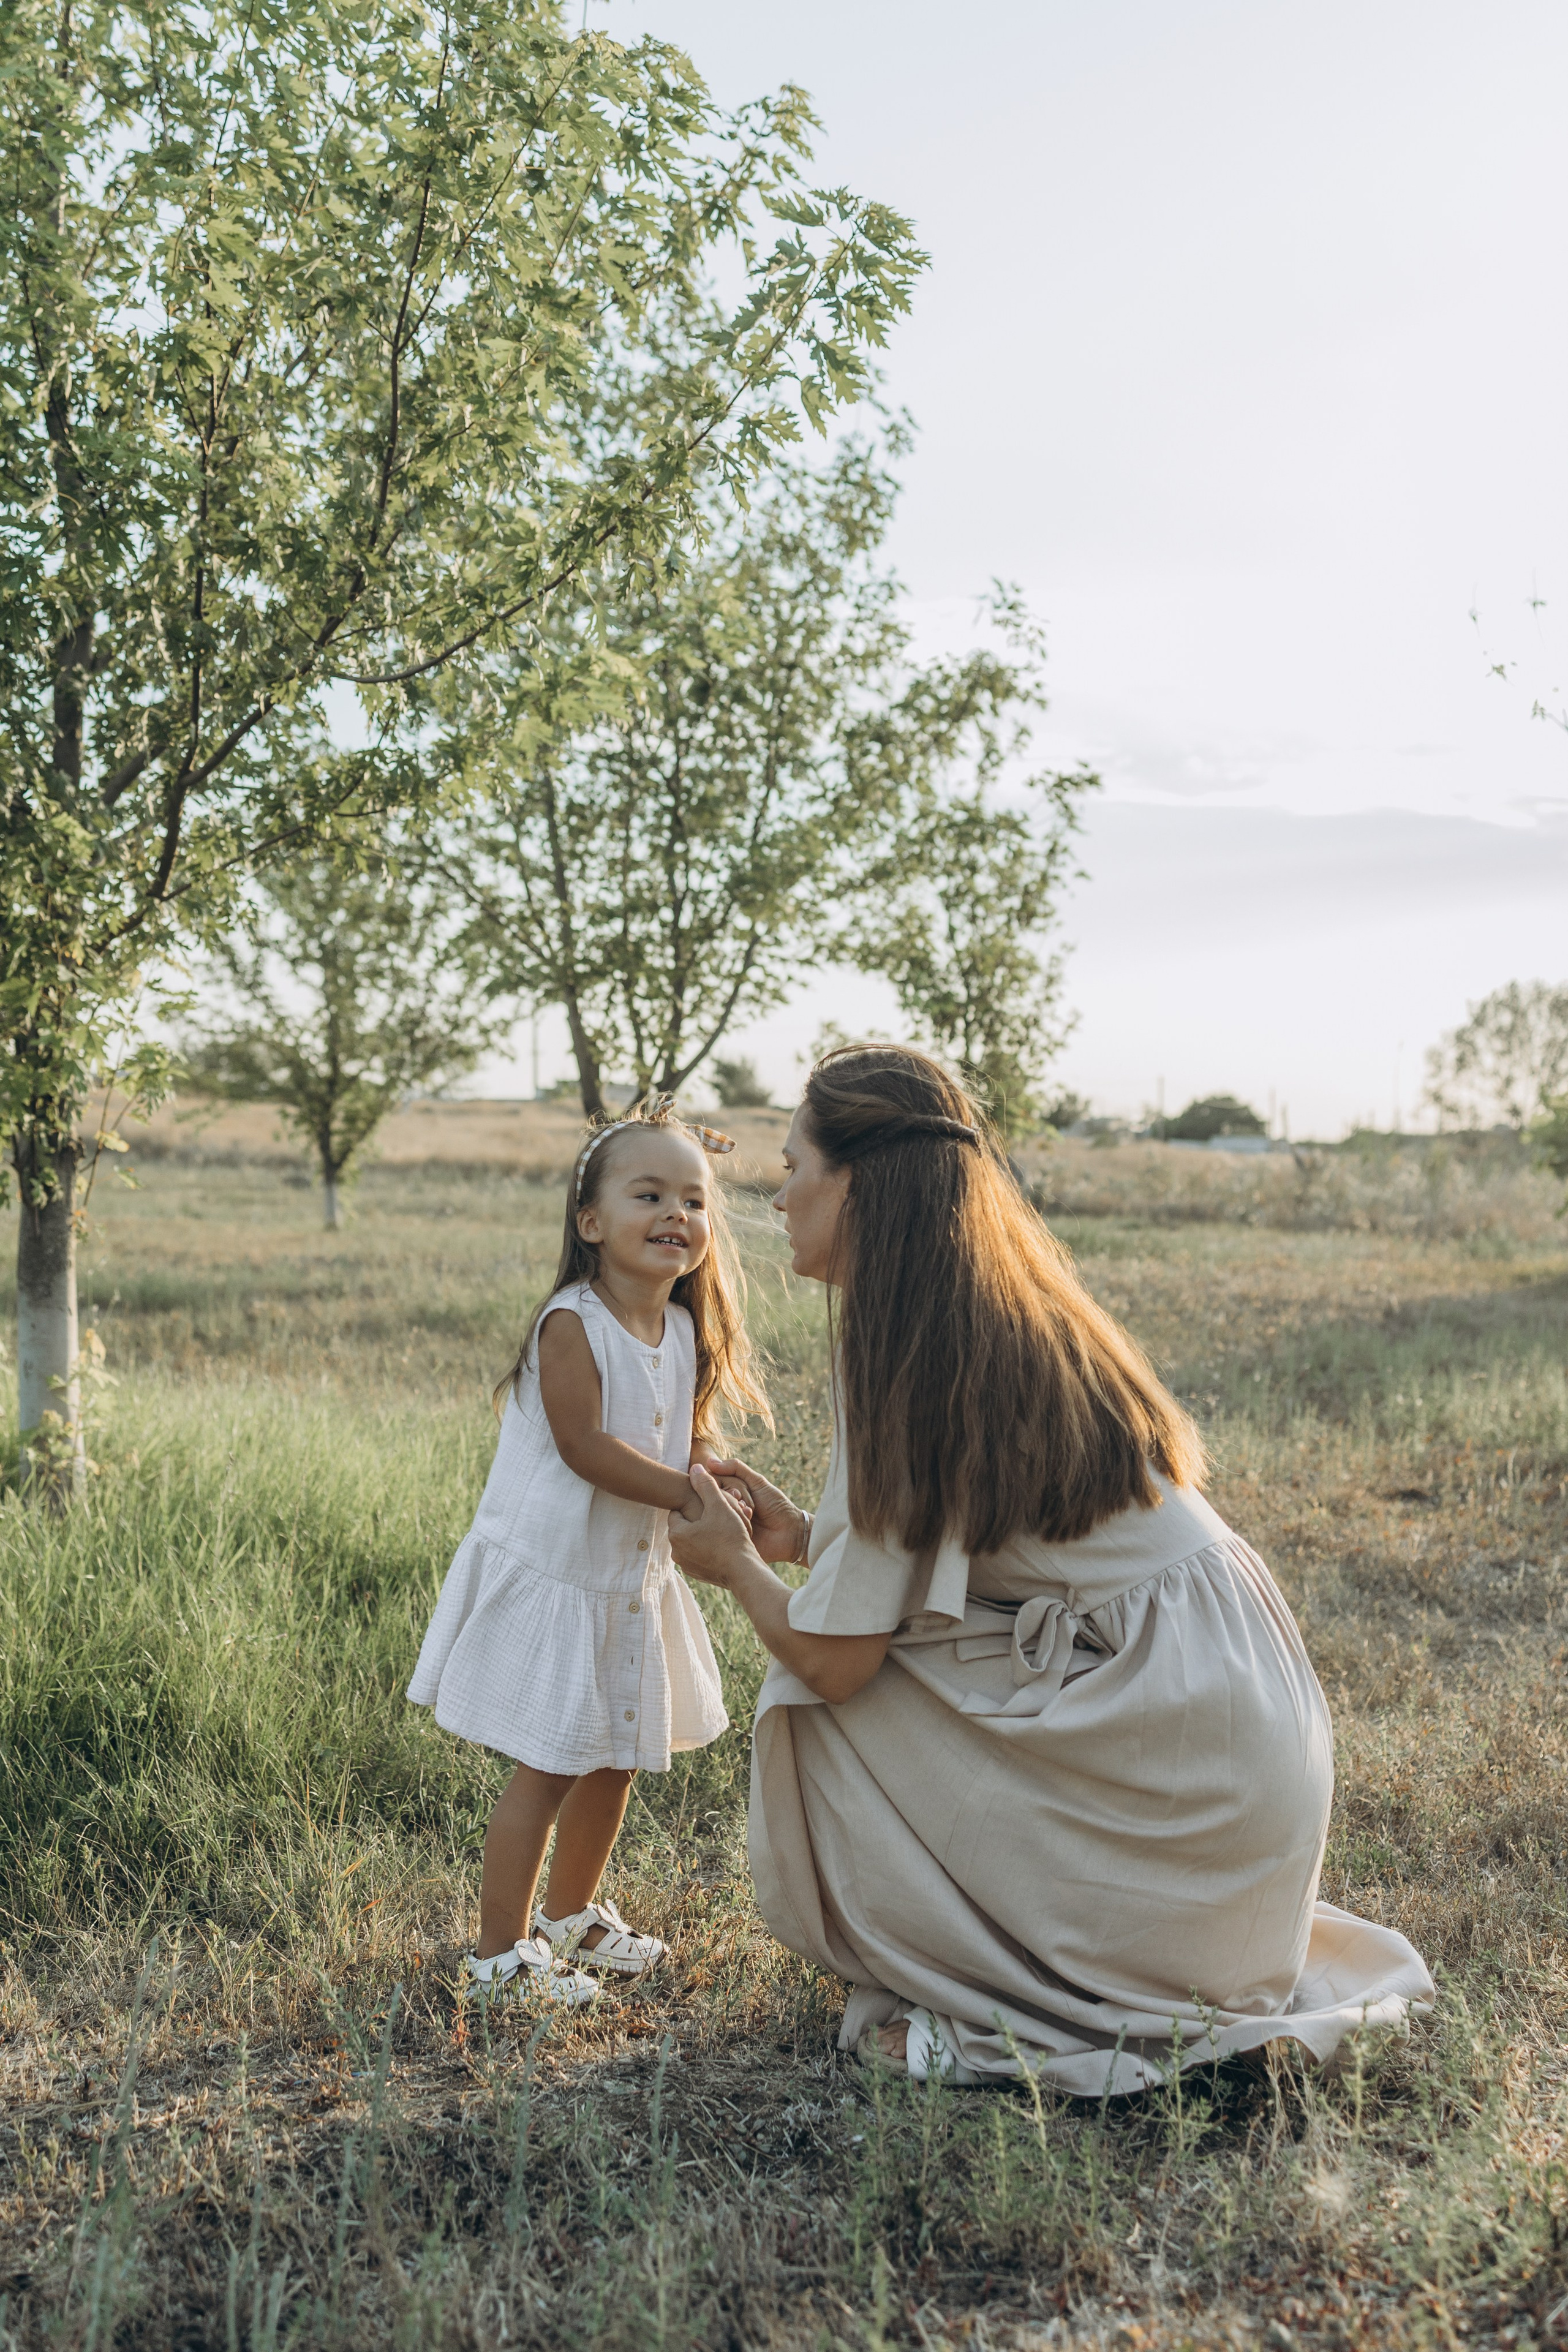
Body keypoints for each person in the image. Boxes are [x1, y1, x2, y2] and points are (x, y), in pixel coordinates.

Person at [672, 1045, 1434, 2092]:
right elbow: (980, 1544)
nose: (779, 1190)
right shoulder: (994, 1309)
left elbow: (839, 1660)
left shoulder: (904, 1355)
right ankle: (1088, 1950)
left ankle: (1016, 2011)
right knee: (862, 1641)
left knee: (814, 1694)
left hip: (1184, 1751)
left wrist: (735, 1571)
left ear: (859, 1184)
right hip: (1241, 1744)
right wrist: (804, 1539)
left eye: (795, 1162)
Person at [410, 1101, 766, 2005]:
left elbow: (665, 1438)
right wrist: (688, 1493)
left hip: (627, 1580)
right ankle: (498, 1953)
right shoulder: (571, 1323)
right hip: (563, 1573)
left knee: (618, 1756)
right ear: (591, 1222)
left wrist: (708, 1470)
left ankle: (571, 1918)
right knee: (554, 1760)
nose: (676, 1215)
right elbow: (589, 1450)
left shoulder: (682, 1328)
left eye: (694, 1200)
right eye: (649, 1193)